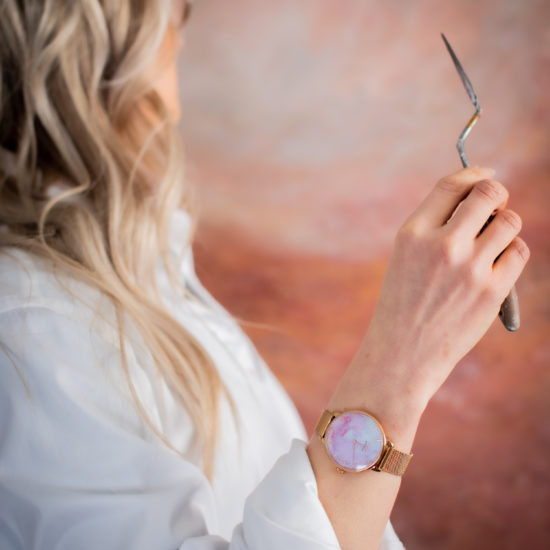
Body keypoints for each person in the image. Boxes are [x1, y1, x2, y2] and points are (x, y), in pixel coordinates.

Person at [0, 1, 530, 549]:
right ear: (103, 75)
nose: (179, 47)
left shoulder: (136, 270)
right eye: (170, 32)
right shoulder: (32, 333)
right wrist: (399, 362)